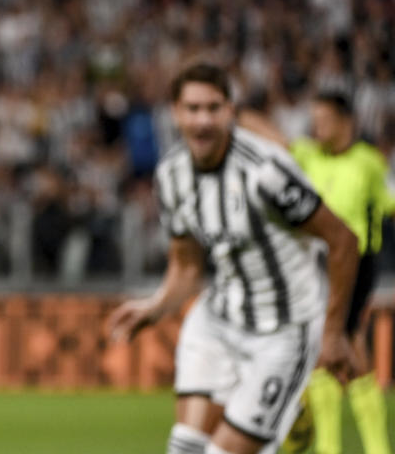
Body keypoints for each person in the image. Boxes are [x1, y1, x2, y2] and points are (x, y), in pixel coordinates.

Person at [106, 63, 359, 454]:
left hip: (285, 329)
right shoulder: (172, 175)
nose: (203, 120)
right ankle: (286, 423)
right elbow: (187, 267)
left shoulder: (266, 171)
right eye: (192, 108)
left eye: (213, 108)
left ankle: (288, 416)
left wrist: (333, 333)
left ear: (230, 111)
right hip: (220, 319)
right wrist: (156, 306)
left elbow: (343, 240)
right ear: (175, 112)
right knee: (185, 447)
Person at [242, 90, 394, 454]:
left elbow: (387, 205)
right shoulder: (308, 156)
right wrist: (231, 110)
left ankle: (345, 447)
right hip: (315, 266)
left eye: (325, 120)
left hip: (355, 264)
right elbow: (264, 131)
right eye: (315, 121)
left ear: (346, 123)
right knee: (333, 351)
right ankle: (366, 446)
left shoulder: (367, 162)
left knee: (339, 345)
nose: (318, 128)